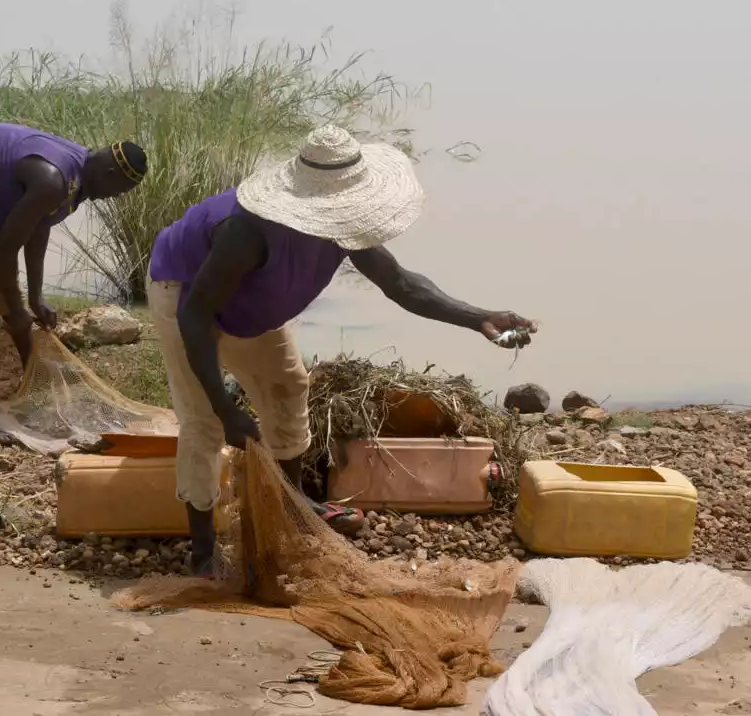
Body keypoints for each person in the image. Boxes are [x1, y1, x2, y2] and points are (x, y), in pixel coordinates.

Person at [147, 124, 537, 577]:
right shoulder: (246, 232)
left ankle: (294, 508)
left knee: (289, 386)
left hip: (250, 307)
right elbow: (196, 316)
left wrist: (477, 317)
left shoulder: (345, 228)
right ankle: (202, 550)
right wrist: (225, 407)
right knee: (204, 422)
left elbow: (402, 284)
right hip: (185, 295)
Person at [0, 123, 147, 444]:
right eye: (117, 191)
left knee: (12, 298)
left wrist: (35, 299)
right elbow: (4, 251)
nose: (113, 198)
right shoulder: (53, 178)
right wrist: (18, 306)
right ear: (108, 172)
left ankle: (35, 389)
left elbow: (39, 227)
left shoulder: (77, 182)